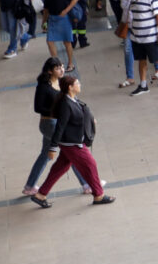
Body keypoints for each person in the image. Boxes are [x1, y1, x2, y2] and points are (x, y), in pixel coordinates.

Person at [30, 75, 116, 208]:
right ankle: (98, 195)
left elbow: (80, 113)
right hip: (72, 144)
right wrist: (52, 148)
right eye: (77, 83)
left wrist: (90, 120)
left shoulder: (72, 99)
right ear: (70, 87)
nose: (79, 84)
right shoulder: (66, 104)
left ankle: (40, 195)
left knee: (60, 168)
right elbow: (60, 127)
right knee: (90, 165)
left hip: (70, 143)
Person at [22, 58, 93, 196]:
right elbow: (38, 107)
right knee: (71, 152)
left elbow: (71, 99)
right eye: (57, 68)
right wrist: (57, 111)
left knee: (46, 155)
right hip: (49, 124)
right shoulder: (44, 86)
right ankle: (86, 184)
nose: (61, 69)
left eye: (62, 67)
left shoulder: (61, 82)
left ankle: (30, 186)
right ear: (50, 71)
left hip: (57, 123)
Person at [41, 0, 78, 72]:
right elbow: (46, 9)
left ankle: (70, 63)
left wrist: (66, 10)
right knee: (49, 41)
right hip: (52, 19)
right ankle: (57, 64)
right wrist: (44, 21)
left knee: (67, 42)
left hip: (63, 19)